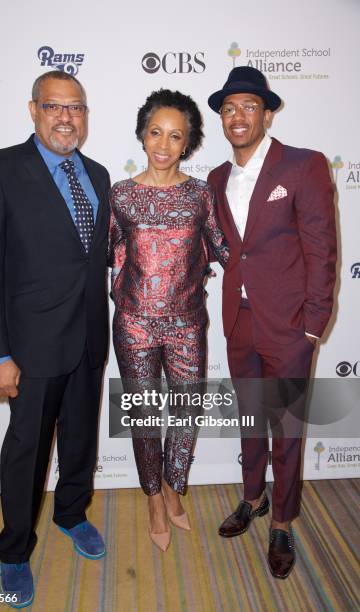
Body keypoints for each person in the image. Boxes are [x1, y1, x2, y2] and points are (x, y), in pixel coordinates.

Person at [0, 70, 110, 607]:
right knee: (26, 450)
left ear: (85, 115)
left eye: (76, 107)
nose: (66, 117)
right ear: (33, 111)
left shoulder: (96, 176)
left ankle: (72, 514)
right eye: (54, 106)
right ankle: (14, 550)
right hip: (28, 346)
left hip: (89, 339)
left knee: (79, 441)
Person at [207, 66, 336, 578]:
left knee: (286, 428)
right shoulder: (216, 178)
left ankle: (281, 520)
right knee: (248, 421)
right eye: (228, 109)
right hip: (238, 321)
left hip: (289, 326)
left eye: (248, 107)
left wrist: (314, 323)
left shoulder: (303, 166)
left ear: (267, 112)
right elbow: (221, 249)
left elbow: (322, 249)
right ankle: (252, 497)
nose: (238, 117)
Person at [109, 89, 228, 552]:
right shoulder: (120, 195)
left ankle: (176, 487)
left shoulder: (202, 194)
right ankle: (154, 499)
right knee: (143, 416)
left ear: (188, 142)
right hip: (134, 324)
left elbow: (221, 247)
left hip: (186, 323)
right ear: (142, 134)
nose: (163, 144)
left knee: (187, 410)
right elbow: (104, 252)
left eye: (175, 136)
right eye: (156, 132)